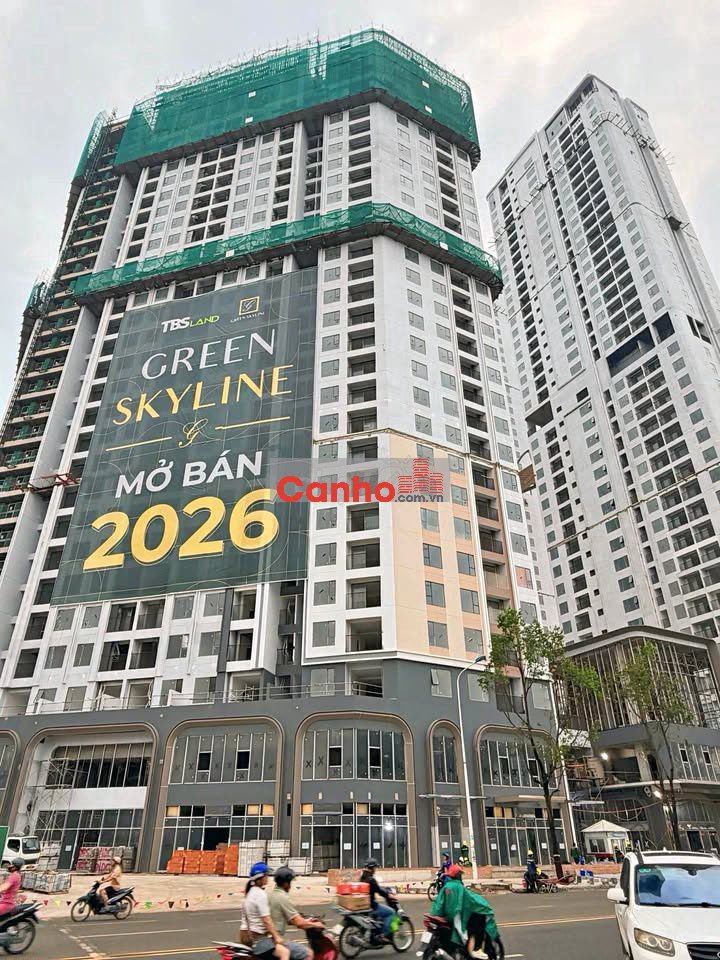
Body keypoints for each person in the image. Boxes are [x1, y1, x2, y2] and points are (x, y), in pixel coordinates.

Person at [431, 863, 499, 960]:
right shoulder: (459, 887)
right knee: (478, 922)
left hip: (446, 917)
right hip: (457, 917)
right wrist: (484, 906)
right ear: (458, 875)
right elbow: (470, 901)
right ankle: (476, 949)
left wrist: (435, 915)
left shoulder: (446, 887)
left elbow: (438, 904)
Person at [269, 866, 323, 960]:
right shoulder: (282, 897)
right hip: (275, 940)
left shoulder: (272, 895)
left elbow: (291, 920)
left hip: (270, 938)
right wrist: (317, 925)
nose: (290, 886)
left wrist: (307, 921)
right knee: (308, 954)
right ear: (286, 883)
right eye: (290, 882)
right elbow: (299, 923)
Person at [241, 862, 289, 960]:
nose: (268, 878)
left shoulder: (250, 893)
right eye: (266, 875)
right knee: (284, 953)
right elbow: (266, 919)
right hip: (256, 936)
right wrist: (276, 936)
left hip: (246, 934)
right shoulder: (260, 894)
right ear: (260, 877)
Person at [359, 859, 396, 942]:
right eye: (375, 868)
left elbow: (376, 888)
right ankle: (383, 935)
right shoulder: (371, 879)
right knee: (391, 912)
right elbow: (379, 891)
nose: (375, 870)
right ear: (372, 868)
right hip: (372, 906)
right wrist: (388, 895)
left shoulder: (363, 877)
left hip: (365, 905)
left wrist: (383, 889)